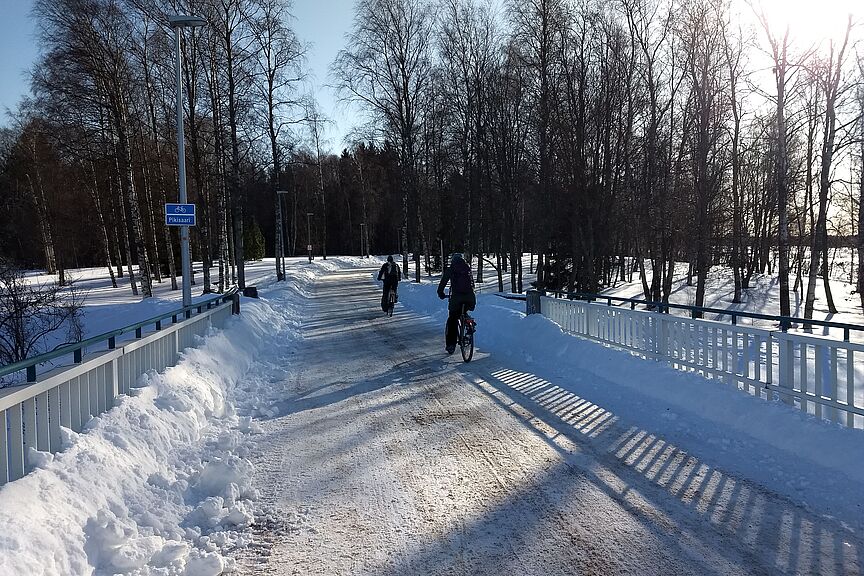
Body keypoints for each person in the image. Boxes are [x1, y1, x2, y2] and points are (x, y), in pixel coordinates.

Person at [437, 253, 476, 354]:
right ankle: (469, 327)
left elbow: (443, 282)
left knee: (452, 319)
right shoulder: (467, 268)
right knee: (464, 311)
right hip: (470, 298)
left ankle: (451, 345)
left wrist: (440, 293)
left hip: (457, 299)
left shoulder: (451, 269)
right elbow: (472, 284)